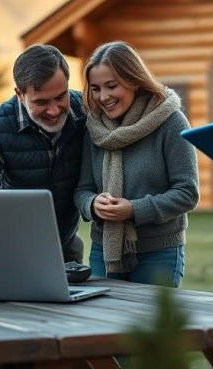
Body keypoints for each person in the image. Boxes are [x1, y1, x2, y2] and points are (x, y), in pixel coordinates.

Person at [74, 41, 199, 288]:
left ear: (133, 79)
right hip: (104, 252)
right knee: (106, 325)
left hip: (159, 252)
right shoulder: (93, 128)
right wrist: (92, 204)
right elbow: (82, 190)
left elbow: (187, 193)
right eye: (96, 88)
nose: (103, 97)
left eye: (112, 86)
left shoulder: (171, 122)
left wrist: (133, 209)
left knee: (153, 326)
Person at [0, 43, 86, 263]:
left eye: (61, 97)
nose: (53, 110)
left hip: (67, 246)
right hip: (13, 248)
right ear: (20, 94)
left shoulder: (85, 110)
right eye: (41, 102)